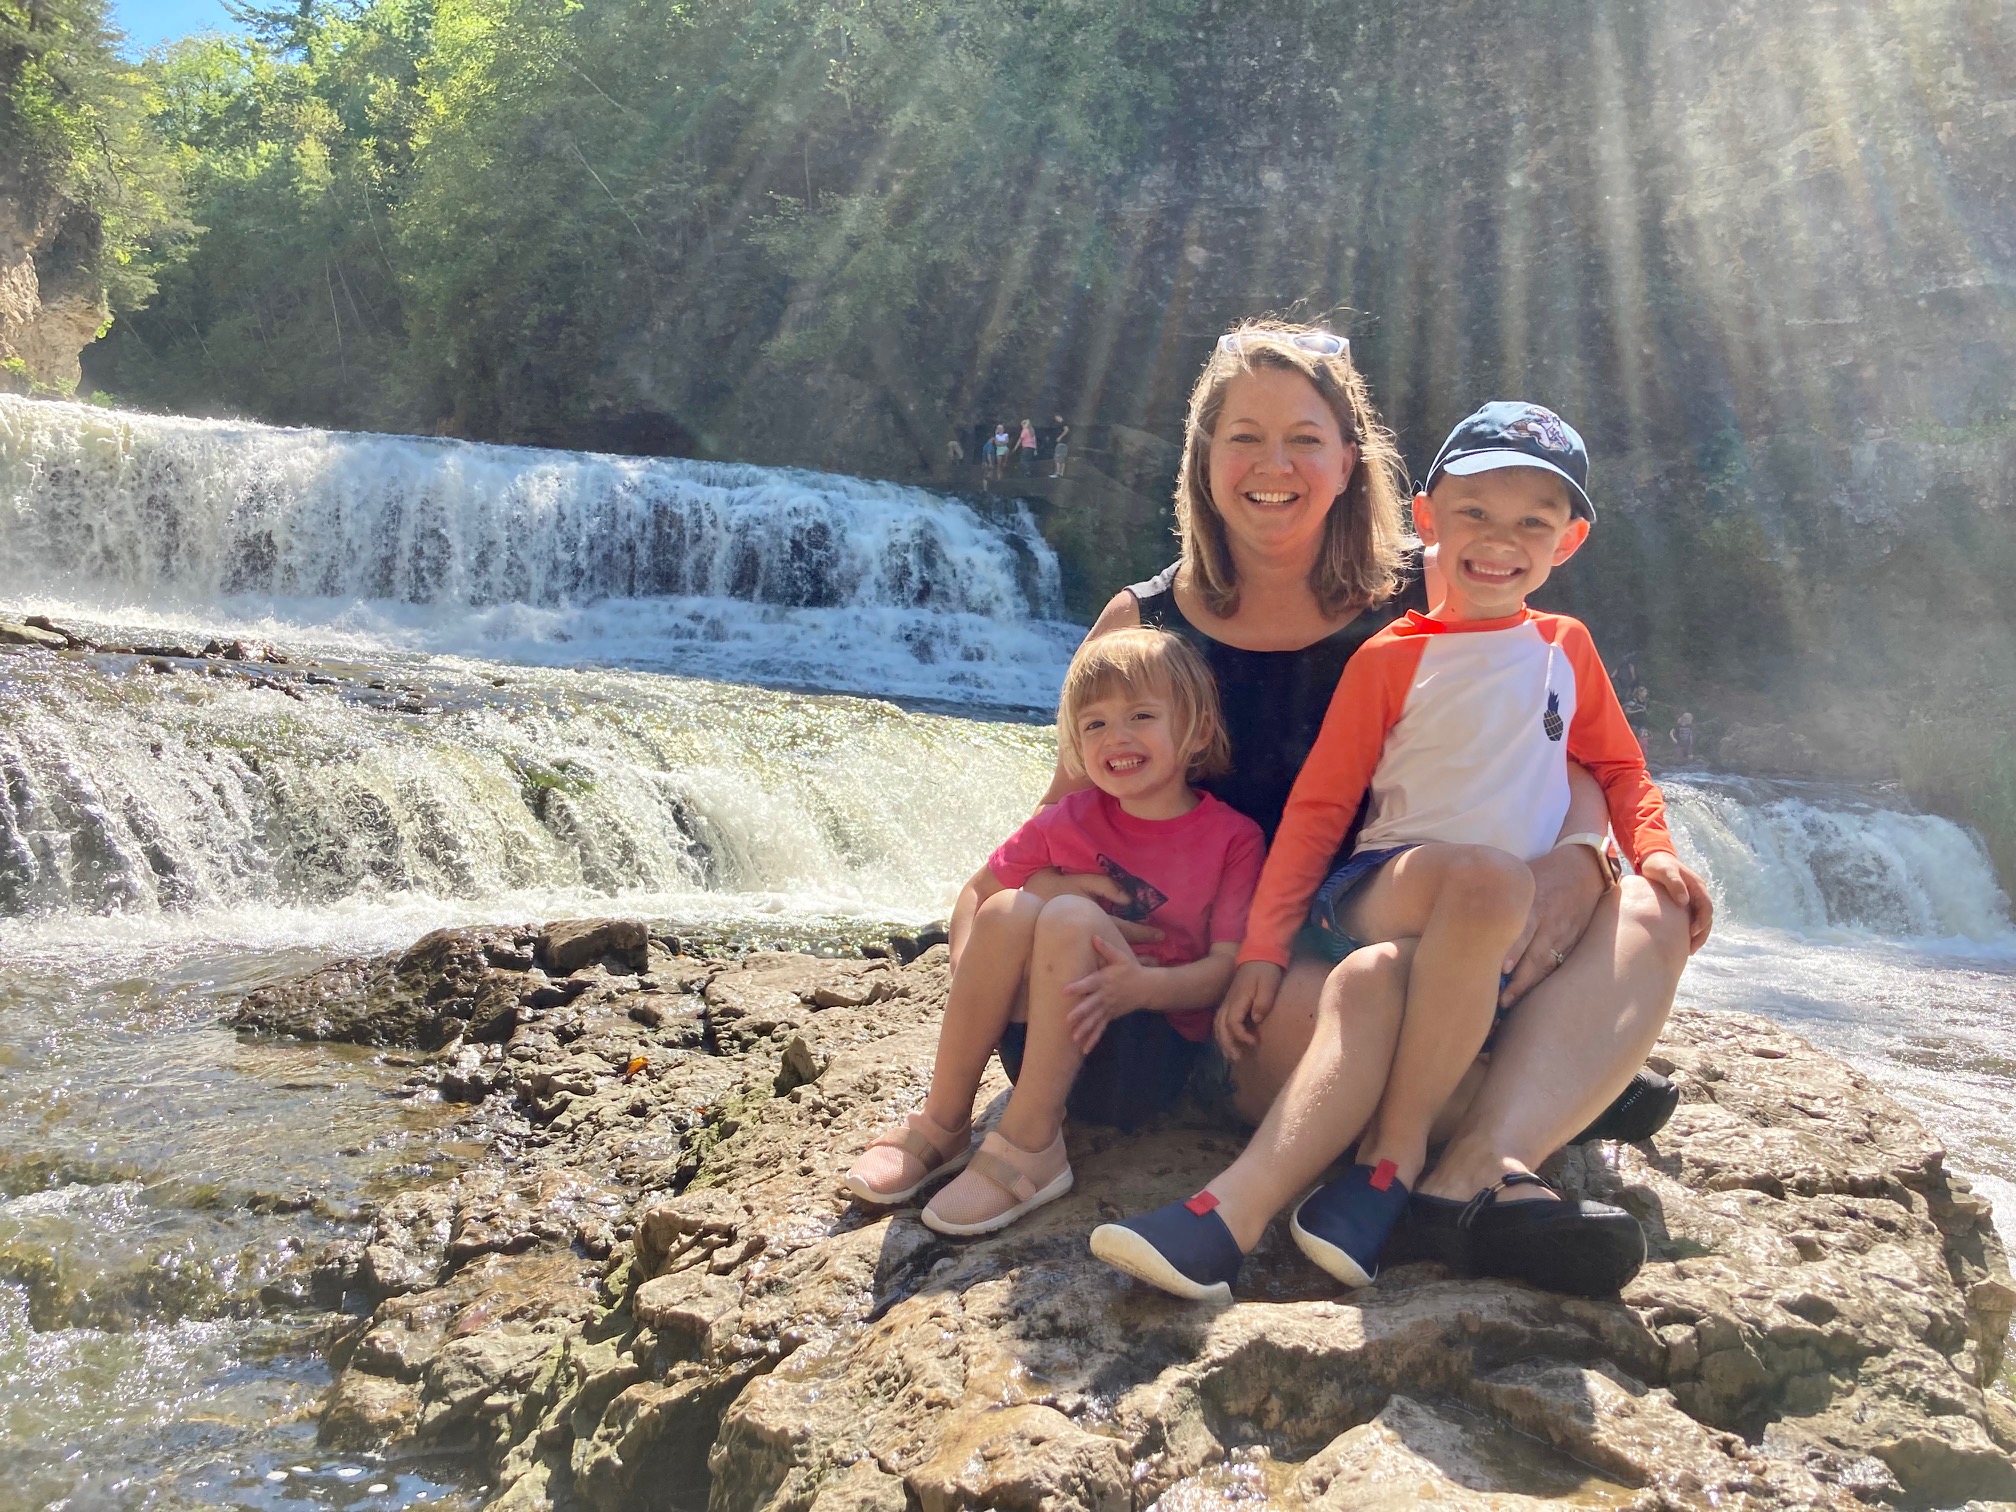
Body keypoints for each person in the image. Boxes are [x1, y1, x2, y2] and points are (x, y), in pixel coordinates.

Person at [947, 321, 1710, 1301]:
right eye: (1244, 437)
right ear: (1202, 457)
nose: (1276, 465)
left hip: (1443, 910)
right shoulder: (1142, 625)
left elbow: (1566, 745)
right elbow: (1055, 826)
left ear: (1351, 461)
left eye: (1305, 438)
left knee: (1659, 909)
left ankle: (1484, 1156)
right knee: (1371, 1000)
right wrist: (984, 1006)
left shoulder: (1434, 586)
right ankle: (1537, 1097)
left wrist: (1585, 857)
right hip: (1267, 963)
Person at [843, 628, 1265, 1236]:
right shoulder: (1070, 818)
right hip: (1035, 1040)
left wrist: (1139, 988)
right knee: (1008, 910)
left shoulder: (1232, 839)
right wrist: (975, 977)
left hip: (1143, 1058)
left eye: (1141, 716)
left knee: (1069, 915)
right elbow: (976, 895)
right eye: (1093, 725)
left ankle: (1031, 1143)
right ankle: (944, 1120)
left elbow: (1226, 967)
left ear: (1197, 730)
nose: (1116, 737)